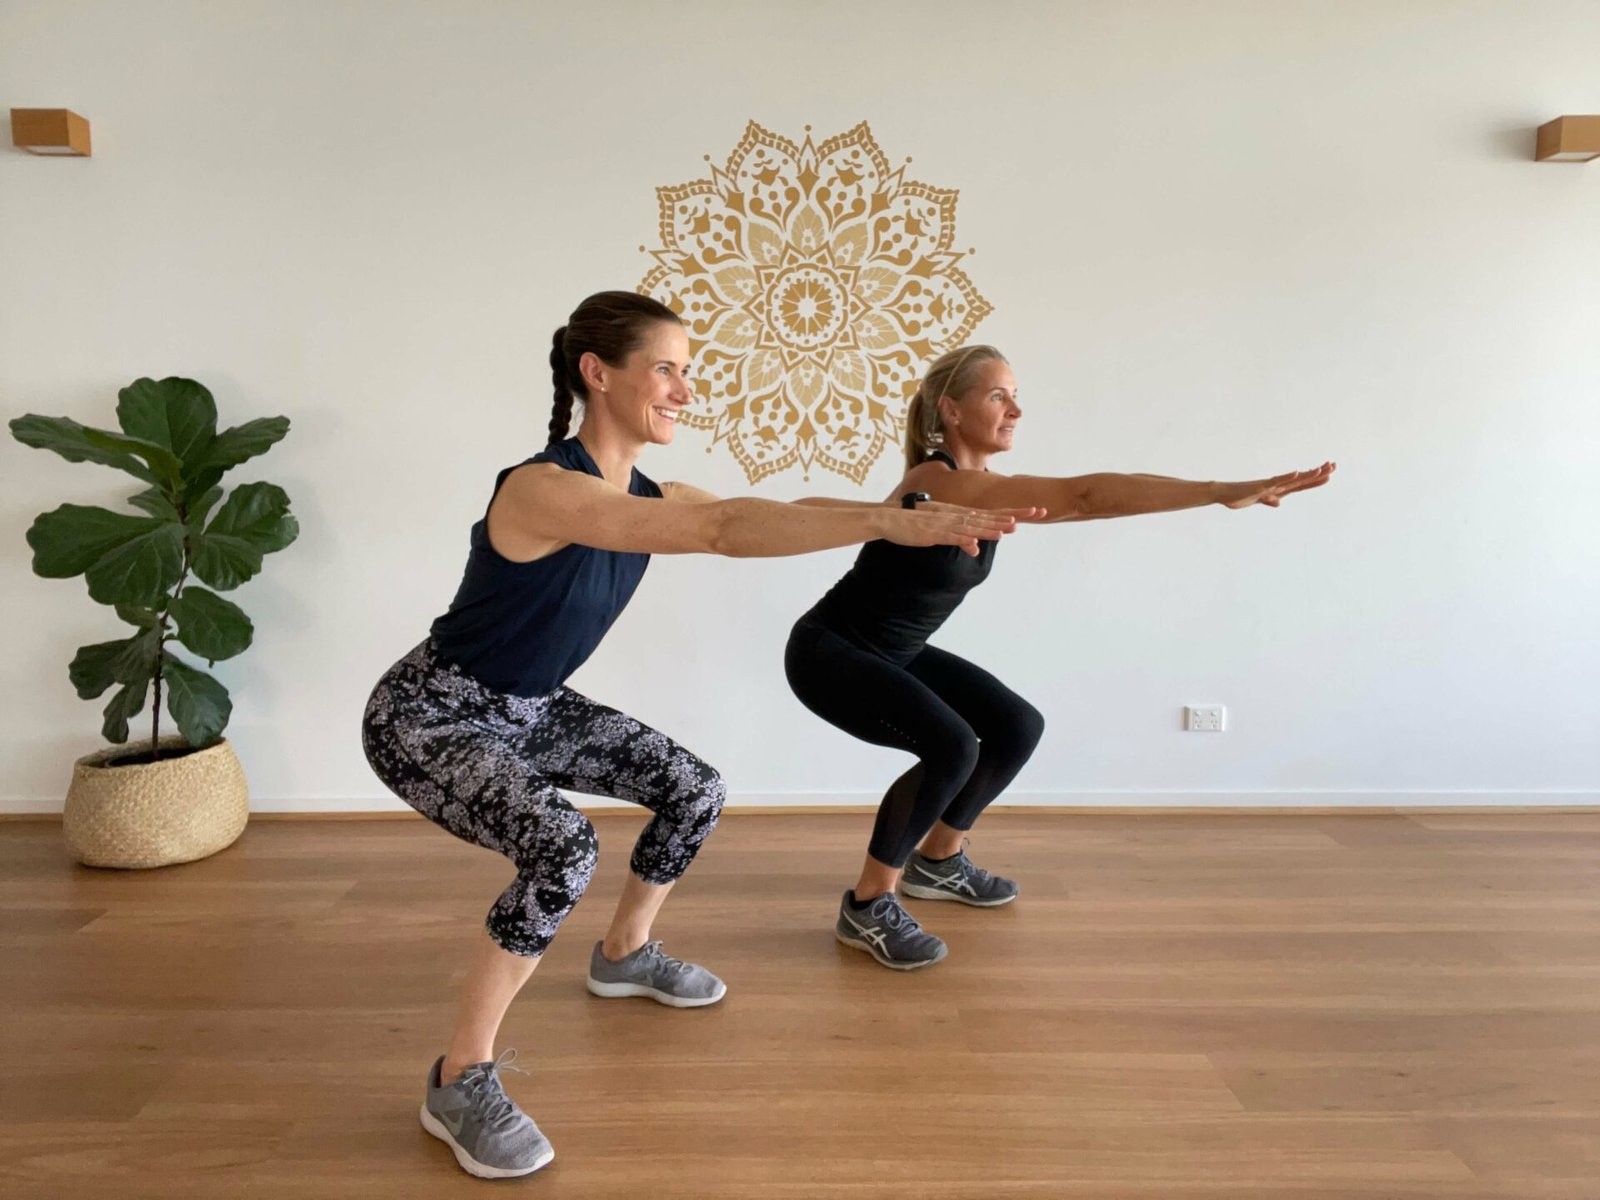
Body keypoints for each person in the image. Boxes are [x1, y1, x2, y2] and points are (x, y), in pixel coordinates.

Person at [360, 292, 1024, 1179]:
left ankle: (625, 954)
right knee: (562, 847)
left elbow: (761, 511)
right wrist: (888, 520)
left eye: (685, 367)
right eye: (666, 367)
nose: (685, 386)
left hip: (532, 705)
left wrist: (898, 512)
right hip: (430, 713)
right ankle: (459, 1077)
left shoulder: (647, 491)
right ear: (599, 373)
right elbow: (716, 530)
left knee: (693, 788)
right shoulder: (545, 488)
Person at [784, 344, 1335, 971]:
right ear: (952, 411)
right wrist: (1216, 491)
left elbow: (1097, 491)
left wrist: (1211, 493)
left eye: (1015, 394)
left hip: (893, 651)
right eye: (998, 395)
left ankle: (937, 861)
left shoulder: (980, 489)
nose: (1015, 408)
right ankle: (868, 904)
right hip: (831, 651)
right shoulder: (936, 482)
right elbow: (1086, 495)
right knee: (953, 745)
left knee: (1016, 726)